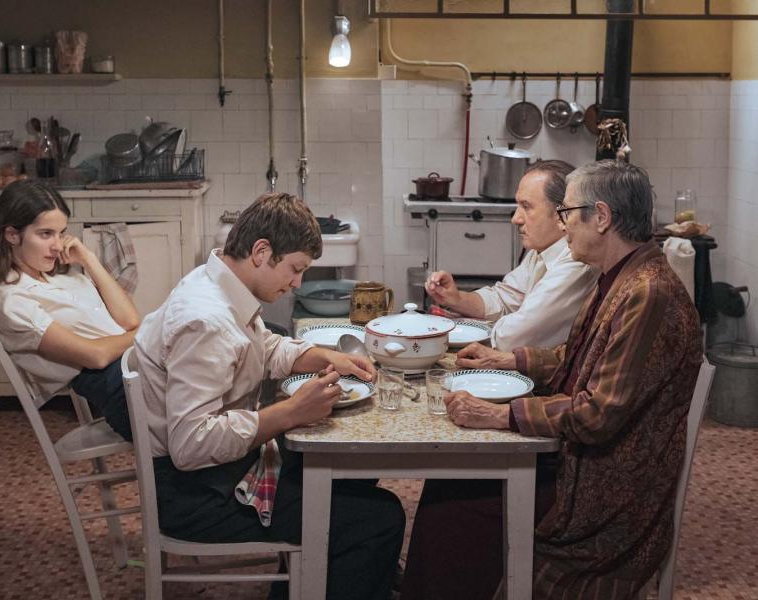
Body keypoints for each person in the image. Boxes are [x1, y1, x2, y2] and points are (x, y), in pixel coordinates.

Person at [402, 160, 704, 599]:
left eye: (567, 213)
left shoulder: (647, 294)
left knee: (452, 507)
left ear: (601, 217)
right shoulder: (621, 277)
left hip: (604, 492)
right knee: (451, 482)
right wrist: (512, 359)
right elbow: (574, 356)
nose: (562, 226)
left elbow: (597, 413)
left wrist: (500, 415)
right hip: (583, 464)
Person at [133, 191, 405, 600]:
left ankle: (314, 583)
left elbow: (260, 348)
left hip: (217, 472)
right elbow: (190, 445)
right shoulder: (206, 320)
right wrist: (291, 412)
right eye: (295, 269)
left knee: (352, 468)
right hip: (197, 495)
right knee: (379, 518)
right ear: (261, 252)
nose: (297, 283)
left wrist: (326, 356)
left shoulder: (218, 283)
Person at [0, 180, 140, 440]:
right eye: (45, 234)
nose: (57, 245)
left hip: (138, 370)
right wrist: (149, 333)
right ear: (12, 235)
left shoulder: (64, 277)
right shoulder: (12, 300)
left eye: (61, 233)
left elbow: (130, 320)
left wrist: (89, 259)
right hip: (121, 390)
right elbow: (96, 356)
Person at [426, 160, 596, 350]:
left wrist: (476, 327)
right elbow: (504, 298)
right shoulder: (541, 251)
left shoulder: (576, 261)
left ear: (561, 213)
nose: (516, 219)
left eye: (526, 207)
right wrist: (457, 299)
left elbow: (513, 338)